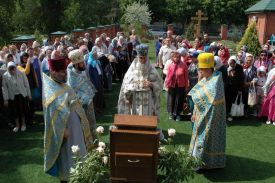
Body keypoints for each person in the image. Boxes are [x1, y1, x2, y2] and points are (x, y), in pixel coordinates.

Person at [43, 58, 93, 183]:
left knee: (79, 156)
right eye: (62, 72)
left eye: (65, 70)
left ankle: (81, 175)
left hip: (77, 129)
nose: (65, 73)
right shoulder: (51, 91)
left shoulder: (64, 85)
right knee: (68, 160)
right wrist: (62, 131)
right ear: (53, 72)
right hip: (65, 134)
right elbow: (52, 115)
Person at [188, 53, 226, 169]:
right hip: (201, 113)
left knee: (207, 139)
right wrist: (194, 112)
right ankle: (195, 160)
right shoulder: (206, 78)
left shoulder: (216, 79)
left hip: (212, 117)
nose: (199, 71)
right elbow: (197, 93)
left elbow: (204, 96)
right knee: (199, 137)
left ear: (208, 69)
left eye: (201, 69)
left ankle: (205, 164)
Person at [118, 44, 162, 117]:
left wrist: (151, 85)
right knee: (136, 119)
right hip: (135, 99)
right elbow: (126, 84)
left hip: (148, 99)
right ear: (138, 57)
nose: (143, 60)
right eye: (141, 58)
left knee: (148, 119)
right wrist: (132, 88)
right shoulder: (132, 69)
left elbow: (159, 85)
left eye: (144, 58)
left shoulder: (152, 69)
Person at [67, 49, 97, 138]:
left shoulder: (82, 70)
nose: (84, 64)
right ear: (76, 64)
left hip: (89, 103)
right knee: (84, 126)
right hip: (80, 106)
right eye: (82, 63)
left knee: (92, 123)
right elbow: (73, 92)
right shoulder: (71, 76)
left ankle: (94, 142)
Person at [2, 62, 31, 132]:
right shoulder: (5, 75)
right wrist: (5, 99)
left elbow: (26, 84)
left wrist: (29, 95)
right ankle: (17, 125)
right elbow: (4, 88)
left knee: (22, 109)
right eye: (10, 70)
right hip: (12, 96)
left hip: (22, 95)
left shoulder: (21, 73)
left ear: (15, 68)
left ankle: (23, 124)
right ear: (8, 69)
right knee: (15, 111)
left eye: (13, 69)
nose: (12, 71)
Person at [165, 50, 188, 121]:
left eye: (177, 57)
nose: (176, 58)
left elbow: (186, 76)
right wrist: (167, 84)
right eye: (174, 57)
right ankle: (171, 113)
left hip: (181, 85)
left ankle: (178, 114)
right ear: (172, 58)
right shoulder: (170, 65)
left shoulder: (184, 65)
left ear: (179, 57)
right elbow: (168, 76)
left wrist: (186, 86)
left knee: (179, 100)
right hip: (172, 85)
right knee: (171, 99)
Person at [226, 56, 244, 121]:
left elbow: (241, 79)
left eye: (233, 63)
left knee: (234, 101)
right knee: (228, 101)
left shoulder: (239, 68)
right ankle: (228, 114)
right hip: (228, 88)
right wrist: (228, 72)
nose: (232, 65)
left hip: (236, 88)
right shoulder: (226, 67)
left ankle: (233, 114)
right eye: (230, 63)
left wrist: (240, 90)